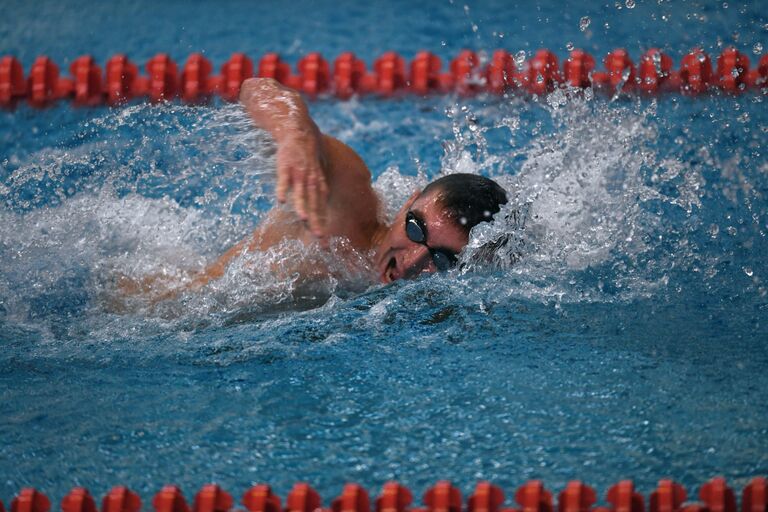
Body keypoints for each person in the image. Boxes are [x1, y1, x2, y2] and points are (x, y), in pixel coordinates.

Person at [120, 77, 508, 299]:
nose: (409, 264)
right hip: (153, 304)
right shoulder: (344, 204)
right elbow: (258, 89)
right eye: (415, 230)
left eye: (440, 261)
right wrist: (296, 135)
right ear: (408, 203)